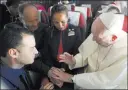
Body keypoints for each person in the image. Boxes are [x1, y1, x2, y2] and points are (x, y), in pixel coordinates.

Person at [52, 12, 127, 89]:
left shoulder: (125, 53)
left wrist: (71, 78)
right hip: (84, 80)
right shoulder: (98, 33)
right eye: (92, 34)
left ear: (113, 38)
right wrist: (74, 61)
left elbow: (105, 81)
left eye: (96, 37)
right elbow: (85, 53)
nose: (93, 39)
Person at [39, 4, 84, 90]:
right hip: (52, 70)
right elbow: (46, 55)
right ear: (52, 21)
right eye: (56, 22)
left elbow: (77, 54)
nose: (60, 25)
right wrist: (52, 72)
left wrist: (63, 72)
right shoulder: (48, 32)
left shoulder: (76, 31)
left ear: (67, 18)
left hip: (69, 71)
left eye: (63, 21)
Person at [0, 23, 54, 89]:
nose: (36, 52)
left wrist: (43, 79)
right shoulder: (3, 85)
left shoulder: (19, 63)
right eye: (31, 48)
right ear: (13, 53)